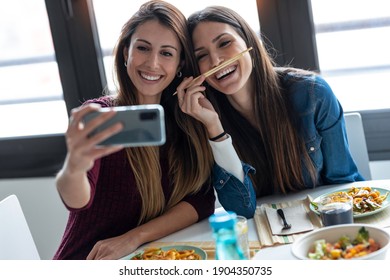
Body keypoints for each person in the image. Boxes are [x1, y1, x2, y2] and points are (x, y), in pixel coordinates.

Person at [53, 0, 217, 260]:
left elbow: (201, 200)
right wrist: (74, 165)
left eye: (166, 53)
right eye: (142, 48)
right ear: (126, 52)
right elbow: (77, 201)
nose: (152, 63)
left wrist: (134, 237)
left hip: (140, 258)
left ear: (180, 64)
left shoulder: (184, 118)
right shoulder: (100, 113)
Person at [176, 6, 364, 214]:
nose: (216, 61)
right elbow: (242, 210)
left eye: (225, 43)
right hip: (263, 237)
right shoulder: (203, 118)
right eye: (202, 56)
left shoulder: (312, 93)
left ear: (248, 42)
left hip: (324, 225)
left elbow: (343, 185)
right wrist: (214, 128)